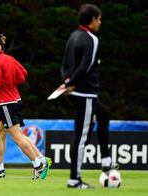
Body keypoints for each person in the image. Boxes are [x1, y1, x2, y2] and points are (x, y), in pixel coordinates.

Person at [60, 4, 117, 189]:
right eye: (99, 19)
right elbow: (86, 65)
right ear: (93, 19)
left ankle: (107, 160)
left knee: (104, 114)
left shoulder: (73, 35)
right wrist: (71, 83)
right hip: (85, 94)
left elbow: (64, 64)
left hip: (75, 91)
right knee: (82, 135)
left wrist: (66, 81)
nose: (100, 23)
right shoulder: (92, 38)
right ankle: (74, 179)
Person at [0, 35, 51, 179]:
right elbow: (23, 75)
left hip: (6, 103)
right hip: (10, 101)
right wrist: (9, 83)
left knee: (17, 137)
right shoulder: (10, 59)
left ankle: (38, 163)